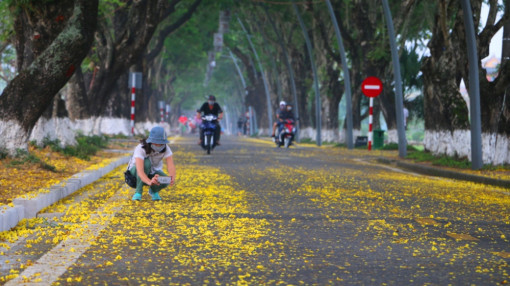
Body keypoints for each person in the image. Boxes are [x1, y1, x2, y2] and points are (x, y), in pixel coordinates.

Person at [127, 126, 176, 201]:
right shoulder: (141, 148)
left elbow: (170, 166)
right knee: (146, 163)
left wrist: (172, 178)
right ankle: (138, 192)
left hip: (151, 173)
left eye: (161, 143)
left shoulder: (166, 148)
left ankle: (153, 191)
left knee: (166, 180)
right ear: (150, 141)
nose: (159, 146)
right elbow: (140, 171)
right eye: (156, 143)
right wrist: (149, 182)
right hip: (134, 176)